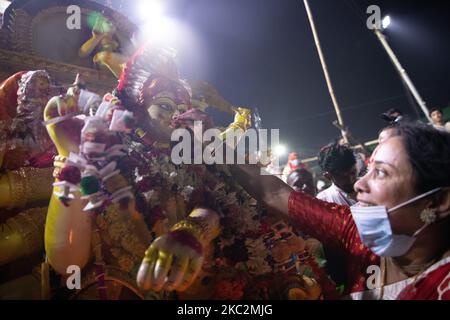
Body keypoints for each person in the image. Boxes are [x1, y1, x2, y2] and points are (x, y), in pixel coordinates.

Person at [229, 122, 450, 300]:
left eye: (381, 173)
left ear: (439, 201)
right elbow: (275, 194)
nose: (359, 184)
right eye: (367, 170)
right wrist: (215, 147)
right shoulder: (354, 230)